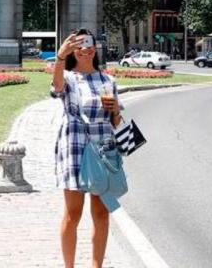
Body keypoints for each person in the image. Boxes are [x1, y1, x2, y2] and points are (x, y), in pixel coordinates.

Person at [52, 29, 122, 268]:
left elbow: (115, 122)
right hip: (75, 147)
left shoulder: (108, 81)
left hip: (103, 147)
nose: (86, 49)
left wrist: (114, 110)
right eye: (79, 45)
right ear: (73, 50)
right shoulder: (69, 78)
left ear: (95, 47)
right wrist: (60, 57)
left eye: (89, 43)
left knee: (102, 214)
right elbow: (57, 86)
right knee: (73, 214)